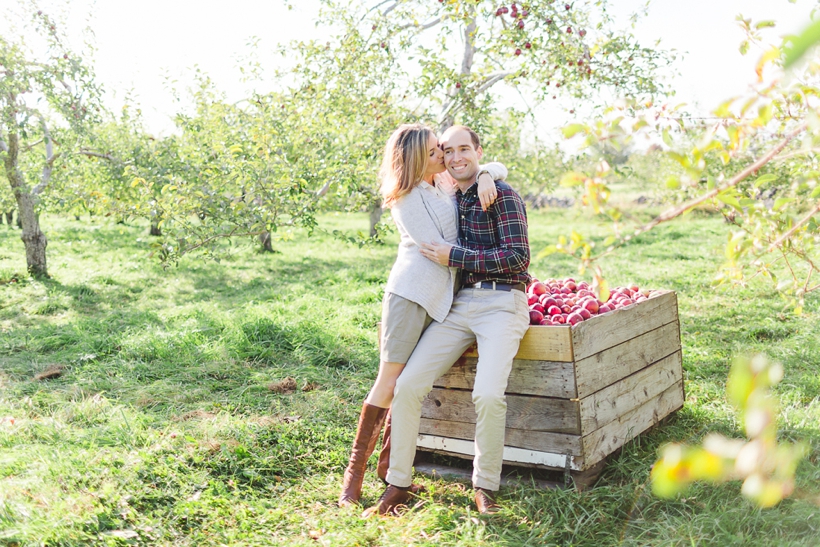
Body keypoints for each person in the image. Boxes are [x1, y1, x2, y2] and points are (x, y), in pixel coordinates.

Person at [364, 124, 531, 517]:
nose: (455, 158)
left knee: (487, 395)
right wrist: (488, 170)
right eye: (447, 151)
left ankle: (484, 486)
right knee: (406, 386)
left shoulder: (502, 195)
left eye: (463, 150)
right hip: (458, 307)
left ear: (478, 151)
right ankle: (397, 484)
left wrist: (456, 256)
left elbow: (517, 258)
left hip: (503, 303)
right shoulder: (449, 191)